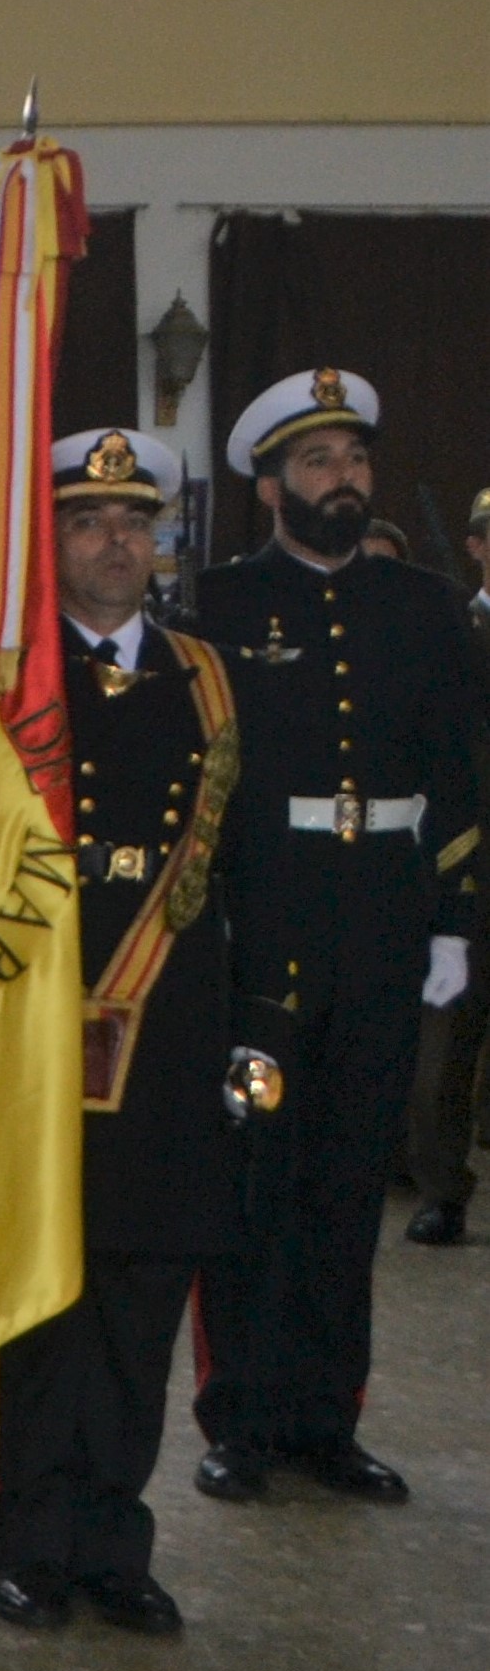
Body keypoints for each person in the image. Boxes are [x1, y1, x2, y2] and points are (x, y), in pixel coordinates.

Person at [187, 371, 478, 1505]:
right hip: (263, 935)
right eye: (316, 463)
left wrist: (454, 917)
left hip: (382, 928)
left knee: (350, 1188)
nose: (342, 479)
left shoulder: (422, 606)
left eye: (353, 459)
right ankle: (240, 1419)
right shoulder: (215, 607)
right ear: (269, 485)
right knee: (256, 1177)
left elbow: (458, 773)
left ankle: (328, 1417)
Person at [0, 428, 242, 1636]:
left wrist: (260, 1022)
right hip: (33, 1025)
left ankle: (114, 1542)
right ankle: (31, 1541)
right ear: (51, 543)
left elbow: (244, 868)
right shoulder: (8, 676)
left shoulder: (208, 677)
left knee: (142, 1294)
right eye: (87, 522)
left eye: (134, 522)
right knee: (45, 1293)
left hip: (168, 1035)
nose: (115, 541)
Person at [401, 482, 490, 1245]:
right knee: (445, 1049)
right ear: (475, 546)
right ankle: (441, 1189)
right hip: (472, 863)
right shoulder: (452, 631)